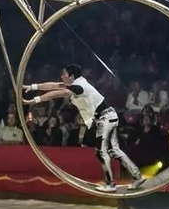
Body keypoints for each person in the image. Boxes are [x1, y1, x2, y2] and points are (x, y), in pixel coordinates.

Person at [22, 62, 145, 191]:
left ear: (71, 76)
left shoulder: (79, 87)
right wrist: (32, 86)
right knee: (114, 150)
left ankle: (110, 184)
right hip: (108, 116)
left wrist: (33, 100)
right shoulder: (76, 84)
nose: (62, 76)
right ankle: (137, 176)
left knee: (101, 152)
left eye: (64, 74)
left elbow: (55, 93)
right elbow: (54, 85)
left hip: (105, 118)